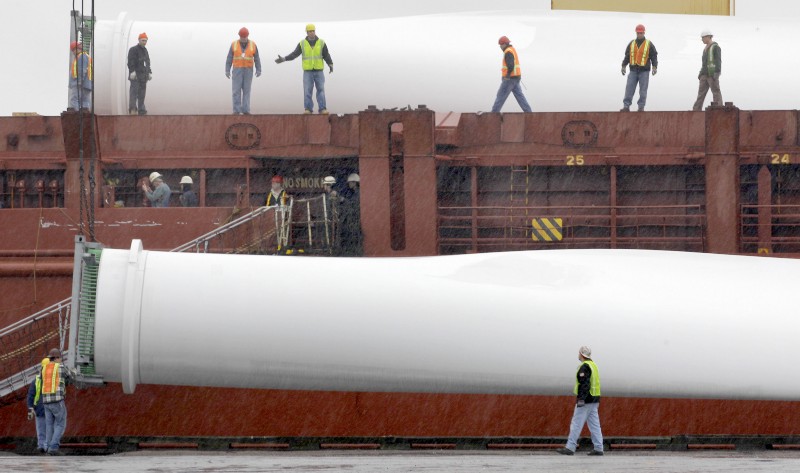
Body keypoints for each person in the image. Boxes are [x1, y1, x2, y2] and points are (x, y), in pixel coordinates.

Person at [275, 24, 334, 114]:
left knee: (321, 90)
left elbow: (326, 54)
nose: (312, 33)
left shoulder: (321, 42)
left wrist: (330, 64)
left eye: (313, 31)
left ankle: (322, 109)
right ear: (307, 32)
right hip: (308, 72)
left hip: (319, 71)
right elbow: (294, 54)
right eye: (310, 31)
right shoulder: (302, 43)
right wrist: (284, 59)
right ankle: (308, 109)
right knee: (307, 91)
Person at [557, 346, 604, 456]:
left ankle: (570, 447)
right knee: (595, 425)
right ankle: (598, 448)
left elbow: (584, 384)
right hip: (594, 399)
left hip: (586, 400)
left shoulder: (584, 367)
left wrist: (581, 399)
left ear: (582, 354)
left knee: (576, 423)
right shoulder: (594, 365)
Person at [41, 348, 72, 455]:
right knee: (60, 424)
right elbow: (70, 376)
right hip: (57, 400)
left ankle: (49, 447)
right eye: (60, 358)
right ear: (57, 358)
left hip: (45, 401)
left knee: (49, 425)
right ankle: (54, 447)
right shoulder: (61, 367)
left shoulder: (44, 368)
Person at [620, 24, 658, 112]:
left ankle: (641, 108)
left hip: (644, 71)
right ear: (636, 33)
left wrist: (654, 67)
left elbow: (654, 56)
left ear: (644, 33)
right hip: (633, 70)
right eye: (638, 33)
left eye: (641, 33)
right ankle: (626, 106)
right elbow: (627, 56)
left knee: (643, 91)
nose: (640, 34)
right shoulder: (632, 43)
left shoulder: (649, 44)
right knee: (629, 89)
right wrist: (623, 65)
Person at [225, 27, 262, 115]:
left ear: (247, 36)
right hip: (237, 70)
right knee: (236, 91)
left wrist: (259, 69)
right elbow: (229, 58)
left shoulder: (253, 45)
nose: (243, 39)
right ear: (239, 36)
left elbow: (257, 58)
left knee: (246, 91)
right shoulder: (234, 44)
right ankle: (236, 111)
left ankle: (246, 110)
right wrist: (227, 70)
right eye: (242, 37)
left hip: (248, 71)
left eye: (245, 37)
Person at [491, 36, 532, 113]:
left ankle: (493, 114)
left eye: (500, 45)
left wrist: (507, 75)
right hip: (516, 78)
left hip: (509, 79)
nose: (500, 47)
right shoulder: (512, 50)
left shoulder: (508, 51)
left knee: (500, 96)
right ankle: (529, 113)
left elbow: (510, 65)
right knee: (520, 97)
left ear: (504, 44)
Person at [692, 29, 723, 111]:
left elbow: (718, 60)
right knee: (701, 94)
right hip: (704, 74)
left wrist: (717, 73)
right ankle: (696, 110)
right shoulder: (705, 49)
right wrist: (700, 74)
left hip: (712, 74)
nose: (702, 39)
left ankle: (719, 109)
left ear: (708, 37)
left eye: (703, 38)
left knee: (716, 92)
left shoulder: (715, 47)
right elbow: (704, 63)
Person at [26, 357, 50, 454]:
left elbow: (30, 396)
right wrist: (30, 408)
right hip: (42, 410)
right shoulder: (37, 381)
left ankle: (44, 448)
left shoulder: (36, 381)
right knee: (44, 431)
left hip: (44, 410)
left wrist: (31, 408)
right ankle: (44, 448)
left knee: (44, 431)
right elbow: (30, 396)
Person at [127, 32, 152, 115]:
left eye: (145, 40)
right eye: (143, 40)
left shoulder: (145, 50)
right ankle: (132, 109)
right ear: (139, 40)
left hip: (143, 76)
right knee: (134, 93)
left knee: (142, 94)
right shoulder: (133, 49)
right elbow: (130, 61)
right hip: (135, 76)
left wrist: (149, 72)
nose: (144, 42)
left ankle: (141, 109)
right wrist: (132, 71)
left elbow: (147, 62)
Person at [339, 173, 363, 256]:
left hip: (354, 220)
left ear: (354, 183)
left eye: (350, 182)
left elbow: (354, 204)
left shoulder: (358, 193)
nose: (349, 184)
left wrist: (344, 200)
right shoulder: (353, 192)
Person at [68, 41, 92, 111]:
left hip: (79, 84)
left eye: (73, 50)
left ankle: (77, 116)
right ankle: (84, 117)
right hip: (87, 84)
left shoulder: (81, 57)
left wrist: (79, 82)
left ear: (76, 49)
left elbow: (81, 70)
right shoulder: (86, 56)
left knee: (74, 100)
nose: (73, 52)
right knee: (85, 103)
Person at [322, 176, 341, 253]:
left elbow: (334, 208)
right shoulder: (328, 195)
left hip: (333, 220)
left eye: (325, 185)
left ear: (329, 185)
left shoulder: (334, 194)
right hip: (329, 219)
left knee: (333, 237)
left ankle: (333, 251)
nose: (324, 186)